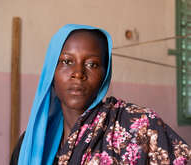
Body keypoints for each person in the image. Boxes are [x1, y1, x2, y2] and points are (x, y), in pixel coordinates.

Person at [10, 24, 191, 165]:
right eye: (66, 61)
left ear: (105, 75)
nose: (78, 73)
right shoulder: (32, 143)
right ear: (51, 72)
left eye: (92, 64)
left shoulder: (138, 126)